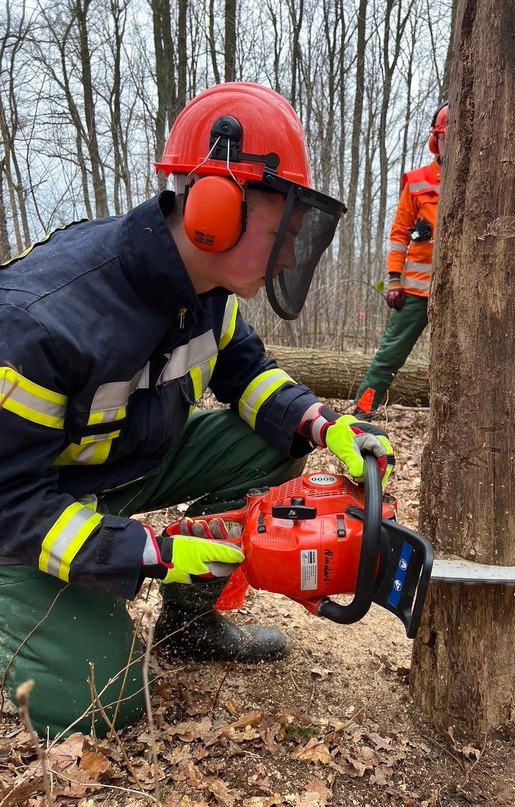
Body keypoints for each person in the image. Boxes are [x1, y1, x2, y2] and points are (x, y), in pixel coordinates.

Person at [0, 82, 394, 739]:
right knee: (103, 701)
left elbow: (249, 376)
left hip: (119, 469)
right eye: (282, 232)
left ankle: (188, 625)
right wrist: (147, 550)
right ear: (216, 208)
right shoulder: (40, 321)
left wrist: (325, 424)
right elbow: (10, 501)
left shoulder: (210, 291)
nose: (291, 255)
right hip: (27, 512)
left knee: (273, 443)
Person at [352, 102, 448, 418]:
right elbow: (399, 234)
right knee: (389, 355)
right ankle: (362, 410)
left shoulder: (480, 182)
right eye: (446, 137)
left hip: (458, 295)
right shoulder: (418, 182)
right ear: (437, 140)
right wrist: (394, 279)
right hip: (417, 291)